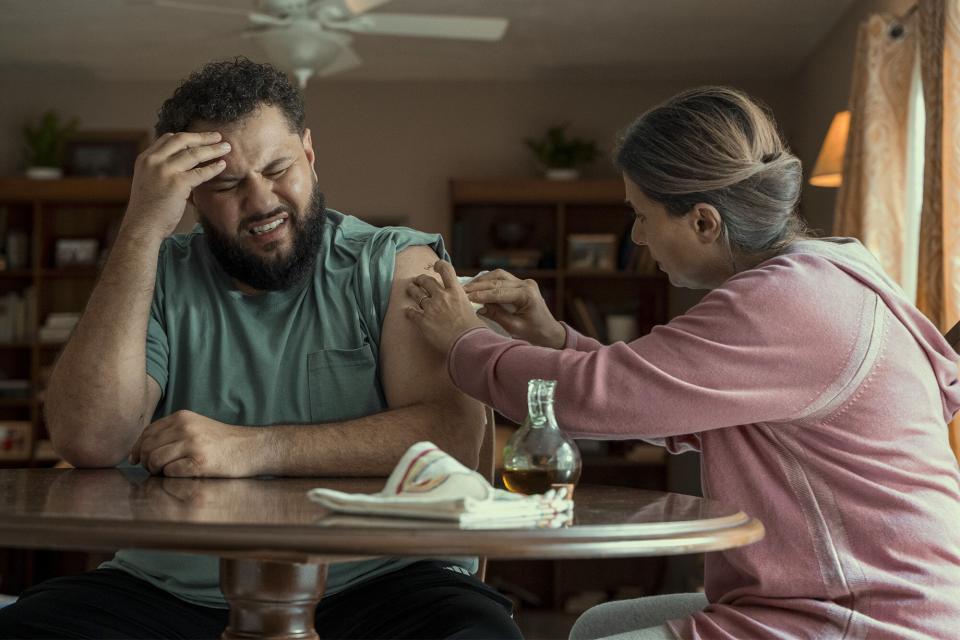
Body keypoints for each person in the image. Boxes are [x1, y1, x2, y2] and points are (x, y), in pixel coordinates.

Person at [404, 86, 960, 639]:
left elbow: (595, 399)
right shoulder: (824, 276)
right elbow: (659, 396)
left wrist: (462, 340)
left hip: (862, 615)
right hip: (855, 595)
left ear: (703, 222)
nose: (638, 237)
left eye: (641, 216)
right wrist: (551, 337)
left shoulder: (784, 302)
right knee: (602, 623)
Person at [0, 58, 521, 640]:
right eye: (226, 185)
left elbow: (449, 434)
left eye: (279, 168)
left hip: (382, 578)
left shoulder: (396, 265)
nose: (262, 201)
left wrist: (252, 449)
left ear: (310, 154)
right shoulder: (154, 274)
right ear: (191, 194)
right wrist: (142, 226)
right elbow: (89, 439)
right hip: (170, 587)